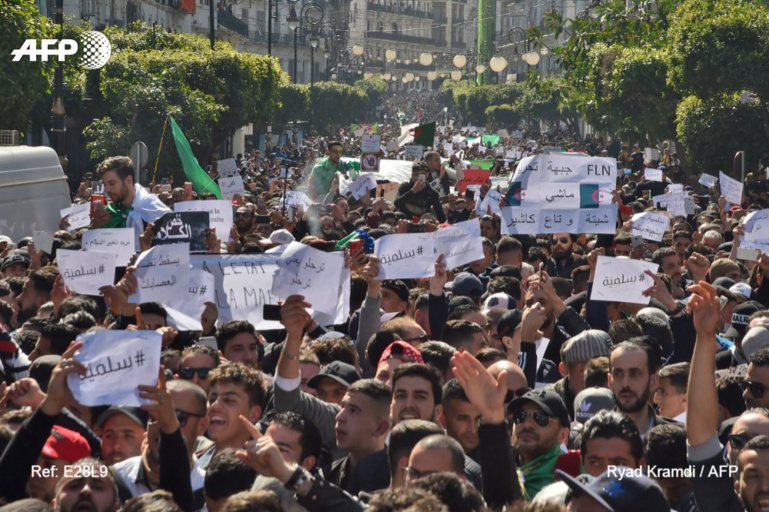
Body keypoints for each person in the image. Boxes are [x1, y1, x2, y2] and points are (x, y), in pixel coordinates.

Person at [508, 388, 571, 498]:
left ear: (562, 435)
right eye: (520, 415)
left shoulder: (572, 472)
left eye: (541, 418)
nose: (527, 424)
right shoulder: (498, 464)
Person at [92, 156, 171, 243]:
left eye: (112, 183)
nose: (107, 190)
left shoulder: (152, 208)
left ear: (129, 180)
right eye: (105, 184)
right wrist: (96, 225)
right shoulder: (109, 212)